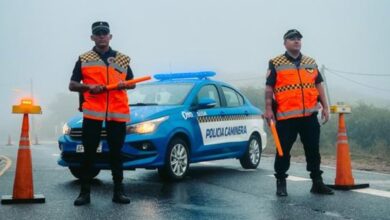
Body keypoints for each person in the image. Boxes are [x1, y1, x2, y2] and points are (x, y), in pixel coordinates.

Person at [69, 21, 135, 206]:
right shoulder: (84, 58)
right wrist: (89, 87)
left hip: (117, 112)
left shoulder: (122, 59)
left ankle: (118, 192)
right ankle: (84, 193)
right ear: (92, 37)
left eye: (104, 33)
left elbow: (133, 82)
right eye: (97, 33)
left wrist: (125, 84)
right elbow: (72, 85)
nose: (101, 36)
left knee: (116, 153)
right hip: (93, 113)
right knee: (89, 153)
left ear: (110, 36)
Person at [264, 29, 334, 196]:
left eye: (298, 38)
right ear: (285, 43)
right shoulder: (276, 62)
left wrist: (325, 106)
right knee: (283, 151)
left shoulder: (310, 62)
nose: (296, 41)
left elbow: (319, 86)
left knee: (313, 150)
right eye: (292, 38)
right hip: (286, 117)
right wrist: (268, 109)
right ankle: (281, 182)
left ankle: (317, 182)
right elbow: (269, 87)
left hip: (309, 116)